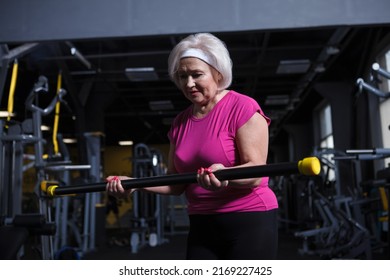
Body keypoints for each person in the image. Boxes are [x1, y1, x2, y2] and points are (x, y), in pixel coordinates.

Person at [106, 33, 278, 260]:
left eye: (197, 75)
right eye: (182, 76)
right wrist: (135, 184)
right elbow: (176, 184)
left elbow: (256, 172)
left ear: (217, 73)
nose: (189, 84)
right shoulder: (179, 122)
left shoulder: (242, 107)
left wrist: (224, 175)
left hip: (249, 216)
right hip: (201, 222)